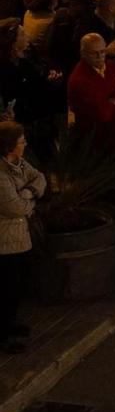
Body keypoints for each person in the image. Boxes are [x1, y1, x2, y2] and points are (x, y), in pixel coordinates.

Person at [0, 121, 43, 352]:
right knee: (5, 287)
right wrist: (30, 202)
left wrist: (28, 192)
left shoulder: (18, 164)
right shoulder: (0, 174)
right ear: (9, 146)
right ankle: (3, 335)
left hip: (18, 237)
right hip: (4, 241)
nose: (25, 144)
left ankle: (10, 324)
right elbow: (14, 207)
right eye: (21, 141)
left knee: (15, 286)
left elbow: (40, 179)